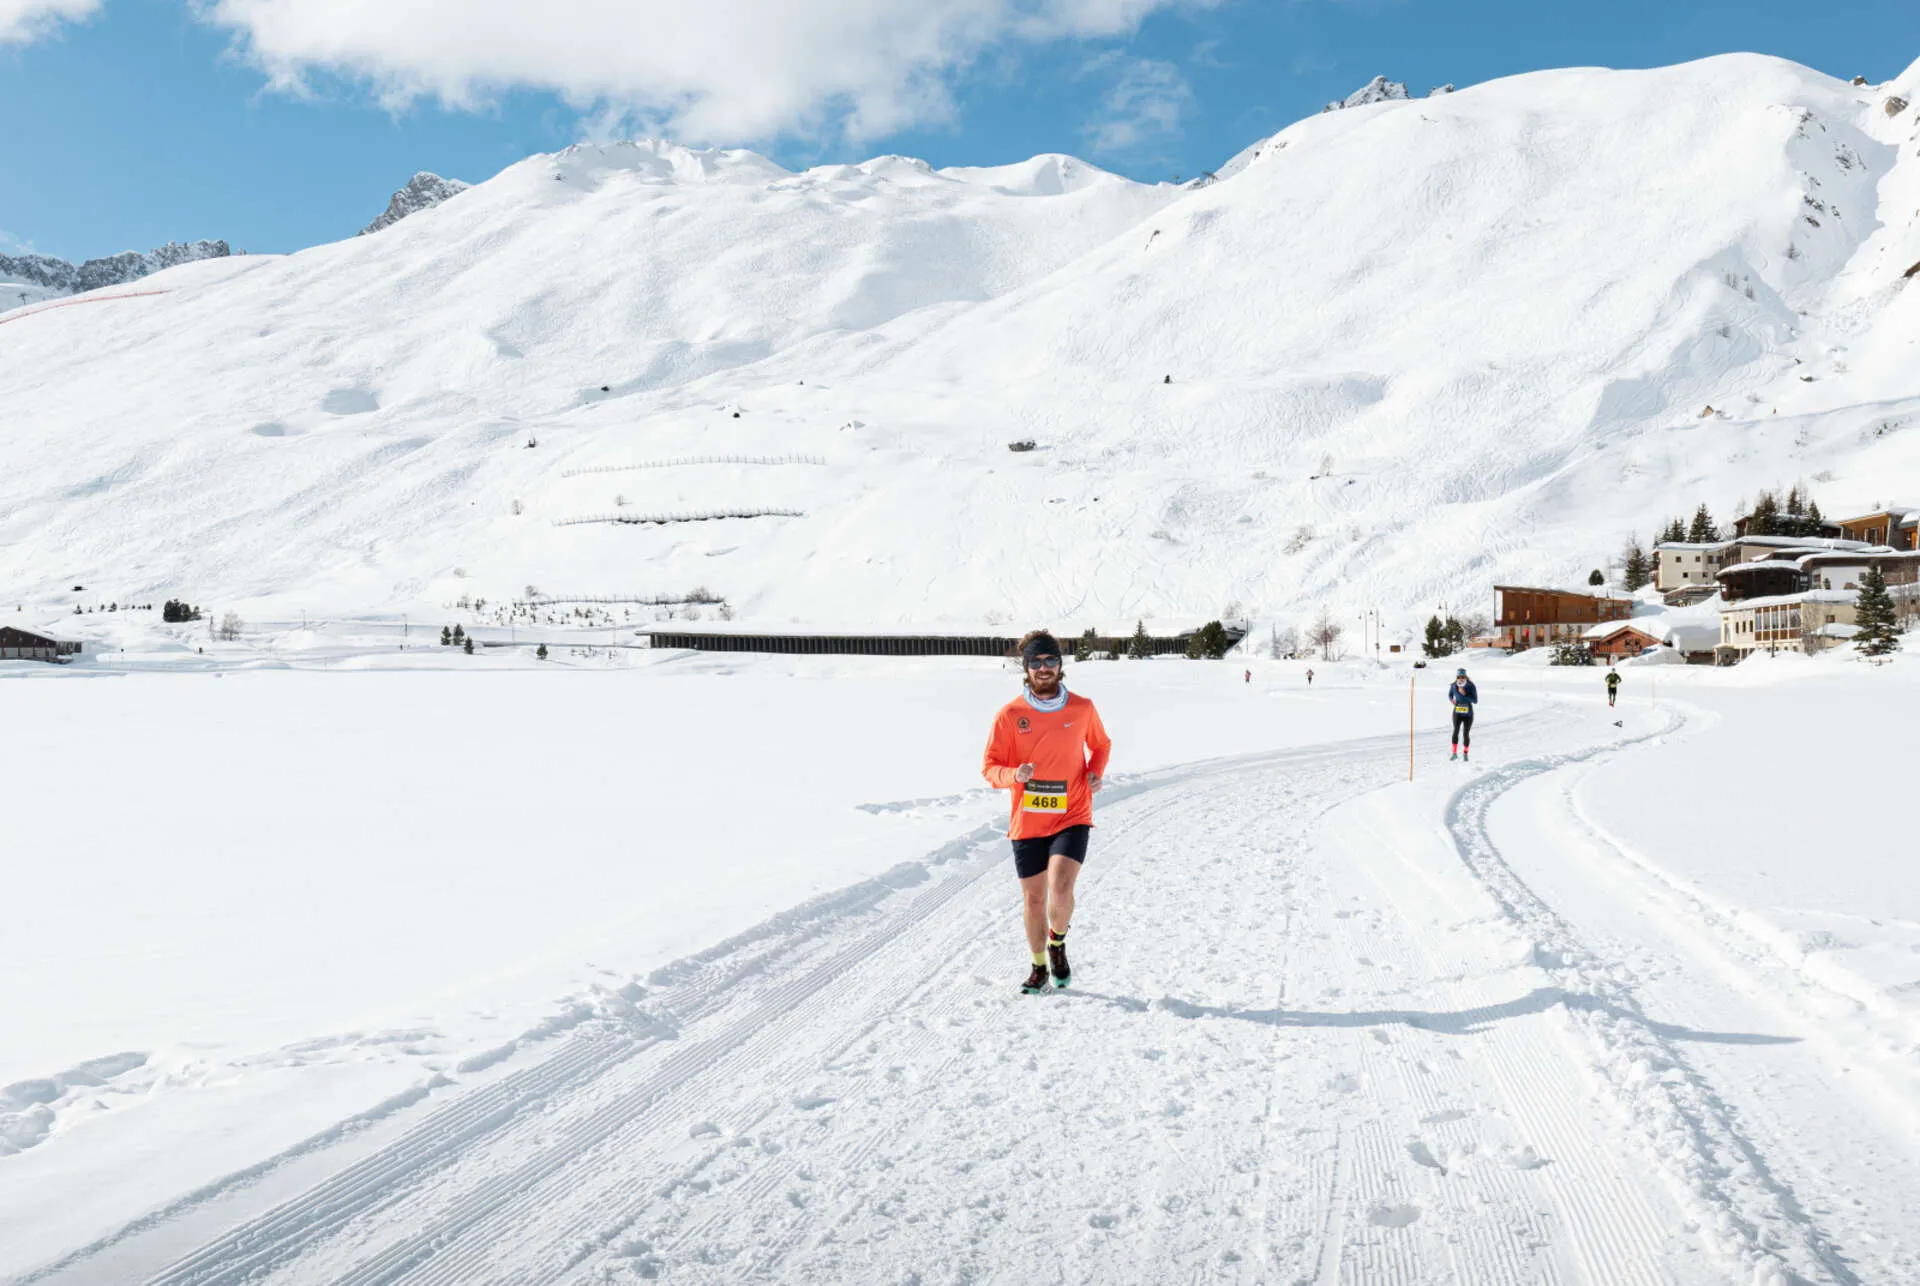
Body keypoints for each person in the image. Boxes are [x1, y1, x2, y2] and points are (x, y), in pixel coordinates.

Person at [982, 630, 1112, 993]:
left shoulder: (1082, 708)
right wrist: (1013, 774)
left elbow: (1100, 745)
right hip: (1028, 821)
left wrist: (1095, 772)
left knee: (1060, 884)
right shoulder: (1010, 715)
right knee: (1034, 898)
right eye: (1036, 662)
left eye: (1050, 661)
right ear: (1026, 668)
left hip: (1072, 813)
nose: (1043, 668)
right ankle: (1039, 965)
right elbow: (990, 767)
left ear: (1060, 665)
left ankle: (1058, 941)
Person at [1447, 667, 1478, 761]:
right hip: (1457, 713)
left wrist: (1465, 695)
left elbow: (1475, 700)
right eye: (1459, 677)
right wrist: (1451, 700)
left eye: (1463, 677)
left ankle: (1465, 754)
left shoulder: (1471, 686)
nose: (1461, 678)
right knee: (1455, 731)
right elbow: (1450, 694)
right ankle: (1454, 753)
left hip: (1468, 714)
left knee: (1465, 733)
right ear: (1457, 677)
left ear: (1466, 677)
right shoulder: (1453, 686)